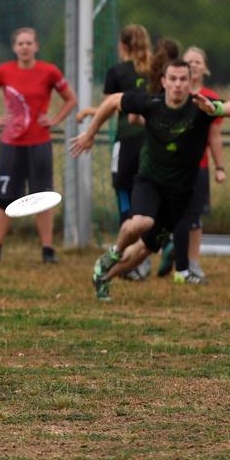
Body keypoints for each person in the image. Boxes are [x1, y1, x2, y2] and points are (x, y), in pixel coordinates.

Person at [70, 59, 230, 300]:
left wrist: (217, 110)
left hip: (180, 193)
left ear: (190, 82)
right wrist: (89, 134)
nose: (178, 84)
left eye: (183, 79)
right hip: (149, 181)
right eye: (172, 79)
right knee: (142, 222)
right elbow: (111, 101)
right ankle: (114, 251)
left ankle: (103, 278)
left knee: (144, 250)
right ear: (163, 82)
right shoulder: (151, 103)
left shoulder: (201, 107)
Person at [0, 27, 77, 263]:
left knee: (42, 197)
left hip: (39, 143)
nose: (25, 47)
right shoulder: (4, 70)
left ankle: (48, 250)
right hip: (11, 144)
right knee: (5, 196)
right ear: (14, 47)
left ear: (36, 46)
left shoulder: (49, 71)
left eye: (29, 43)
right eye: (20, 43)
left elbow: (71, 99)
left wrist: (55, 119)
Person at [76, 24, 152, 280]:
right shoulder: (155, 70)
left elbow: (112, 106)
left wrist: (90, 115)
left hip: (127, 142)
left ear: (123, 45)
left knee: (125, 197)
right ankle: (148, 254)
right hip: (153, 142)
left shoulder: (117, 72)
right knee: (148, 197)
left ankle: (128, 260)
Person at [156, 46, 226, 284]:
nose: (194, 65)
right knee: (164, 212)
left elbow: (215, 136)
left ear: (204, 68)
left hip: (198, 167)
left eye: (198, 61)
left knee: (194, 217)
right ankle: (169, 248)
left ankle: (191, 262)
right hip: (168, 167)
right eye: (189, 61)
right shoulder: (171, 96)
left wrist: (220, 167)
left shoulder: (209, 98)